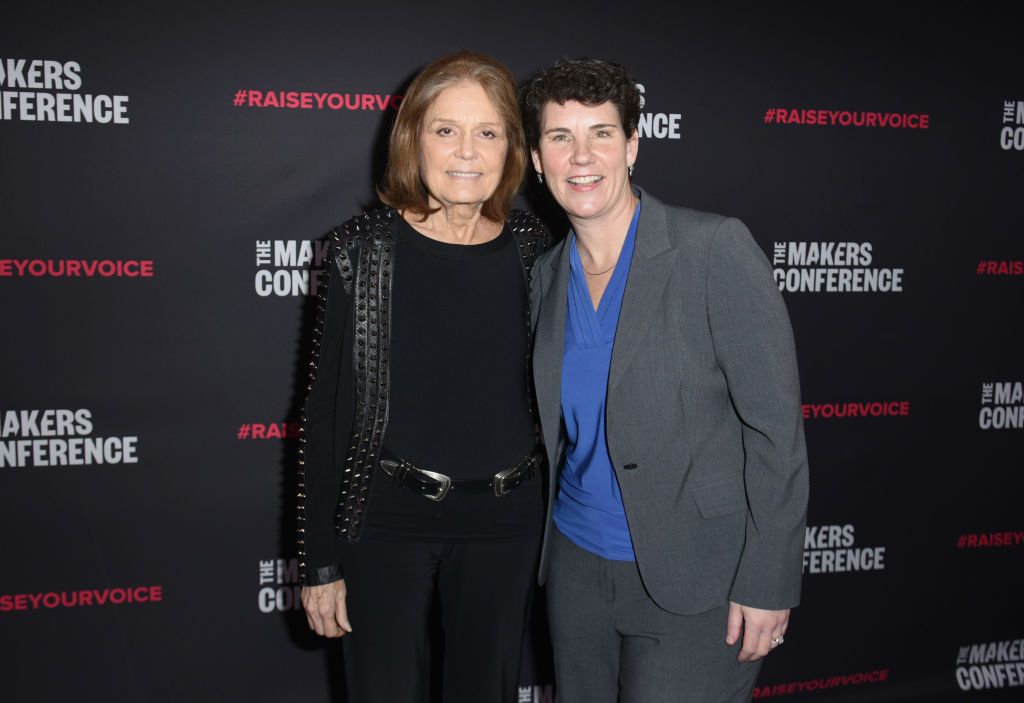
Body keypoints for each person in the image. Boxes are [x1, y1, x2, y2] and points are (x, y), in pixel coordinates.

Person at [521, 58, 809, 703]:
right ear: (538, 160)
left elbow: (775, 433)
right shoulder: (546, 275)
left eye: (601, 133)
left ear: (633, 146)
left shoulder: (713, 250)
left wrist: (768, 580)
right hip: (574, 571)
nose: (581, 155)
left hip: (696, 578)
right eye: (560, 137)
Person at [298, 50, 549, 703]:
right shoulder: (361, 249)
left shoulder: (536, 250)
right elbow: (325, 414)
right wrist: (319, 559)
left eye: (488, 131)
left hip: (506, 518)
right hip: (385, 518)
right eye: (445, 130)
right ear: (413, 140)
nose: (466, 150)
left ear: (510, 149)